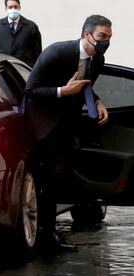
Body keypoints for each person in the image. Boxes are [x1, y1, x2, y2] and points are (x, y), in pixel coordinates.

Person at [24, 14, 112, 251]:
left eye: (109, 37)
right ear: (86, 34)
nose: (106, 42)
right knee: (47, 179)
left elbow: (85, 85)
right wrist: (63, 91)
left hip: (67, 125)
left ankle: (48, 233)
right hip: (43, 124)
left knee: (57, 178)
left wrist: (97, 100)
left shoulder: (98, 60)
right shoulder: (56, 52)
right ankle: (45, 236)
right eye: (102, 36)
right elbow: (31, 89)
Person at [0, 0, 42, 67]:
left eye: (15, 7)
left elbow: (37, 53)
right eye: (10, 7)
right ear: (6, 9)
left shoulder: (31, 27)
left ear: (20, 7)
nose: (13, 9)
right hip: (2, 71)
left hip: (24, 71)